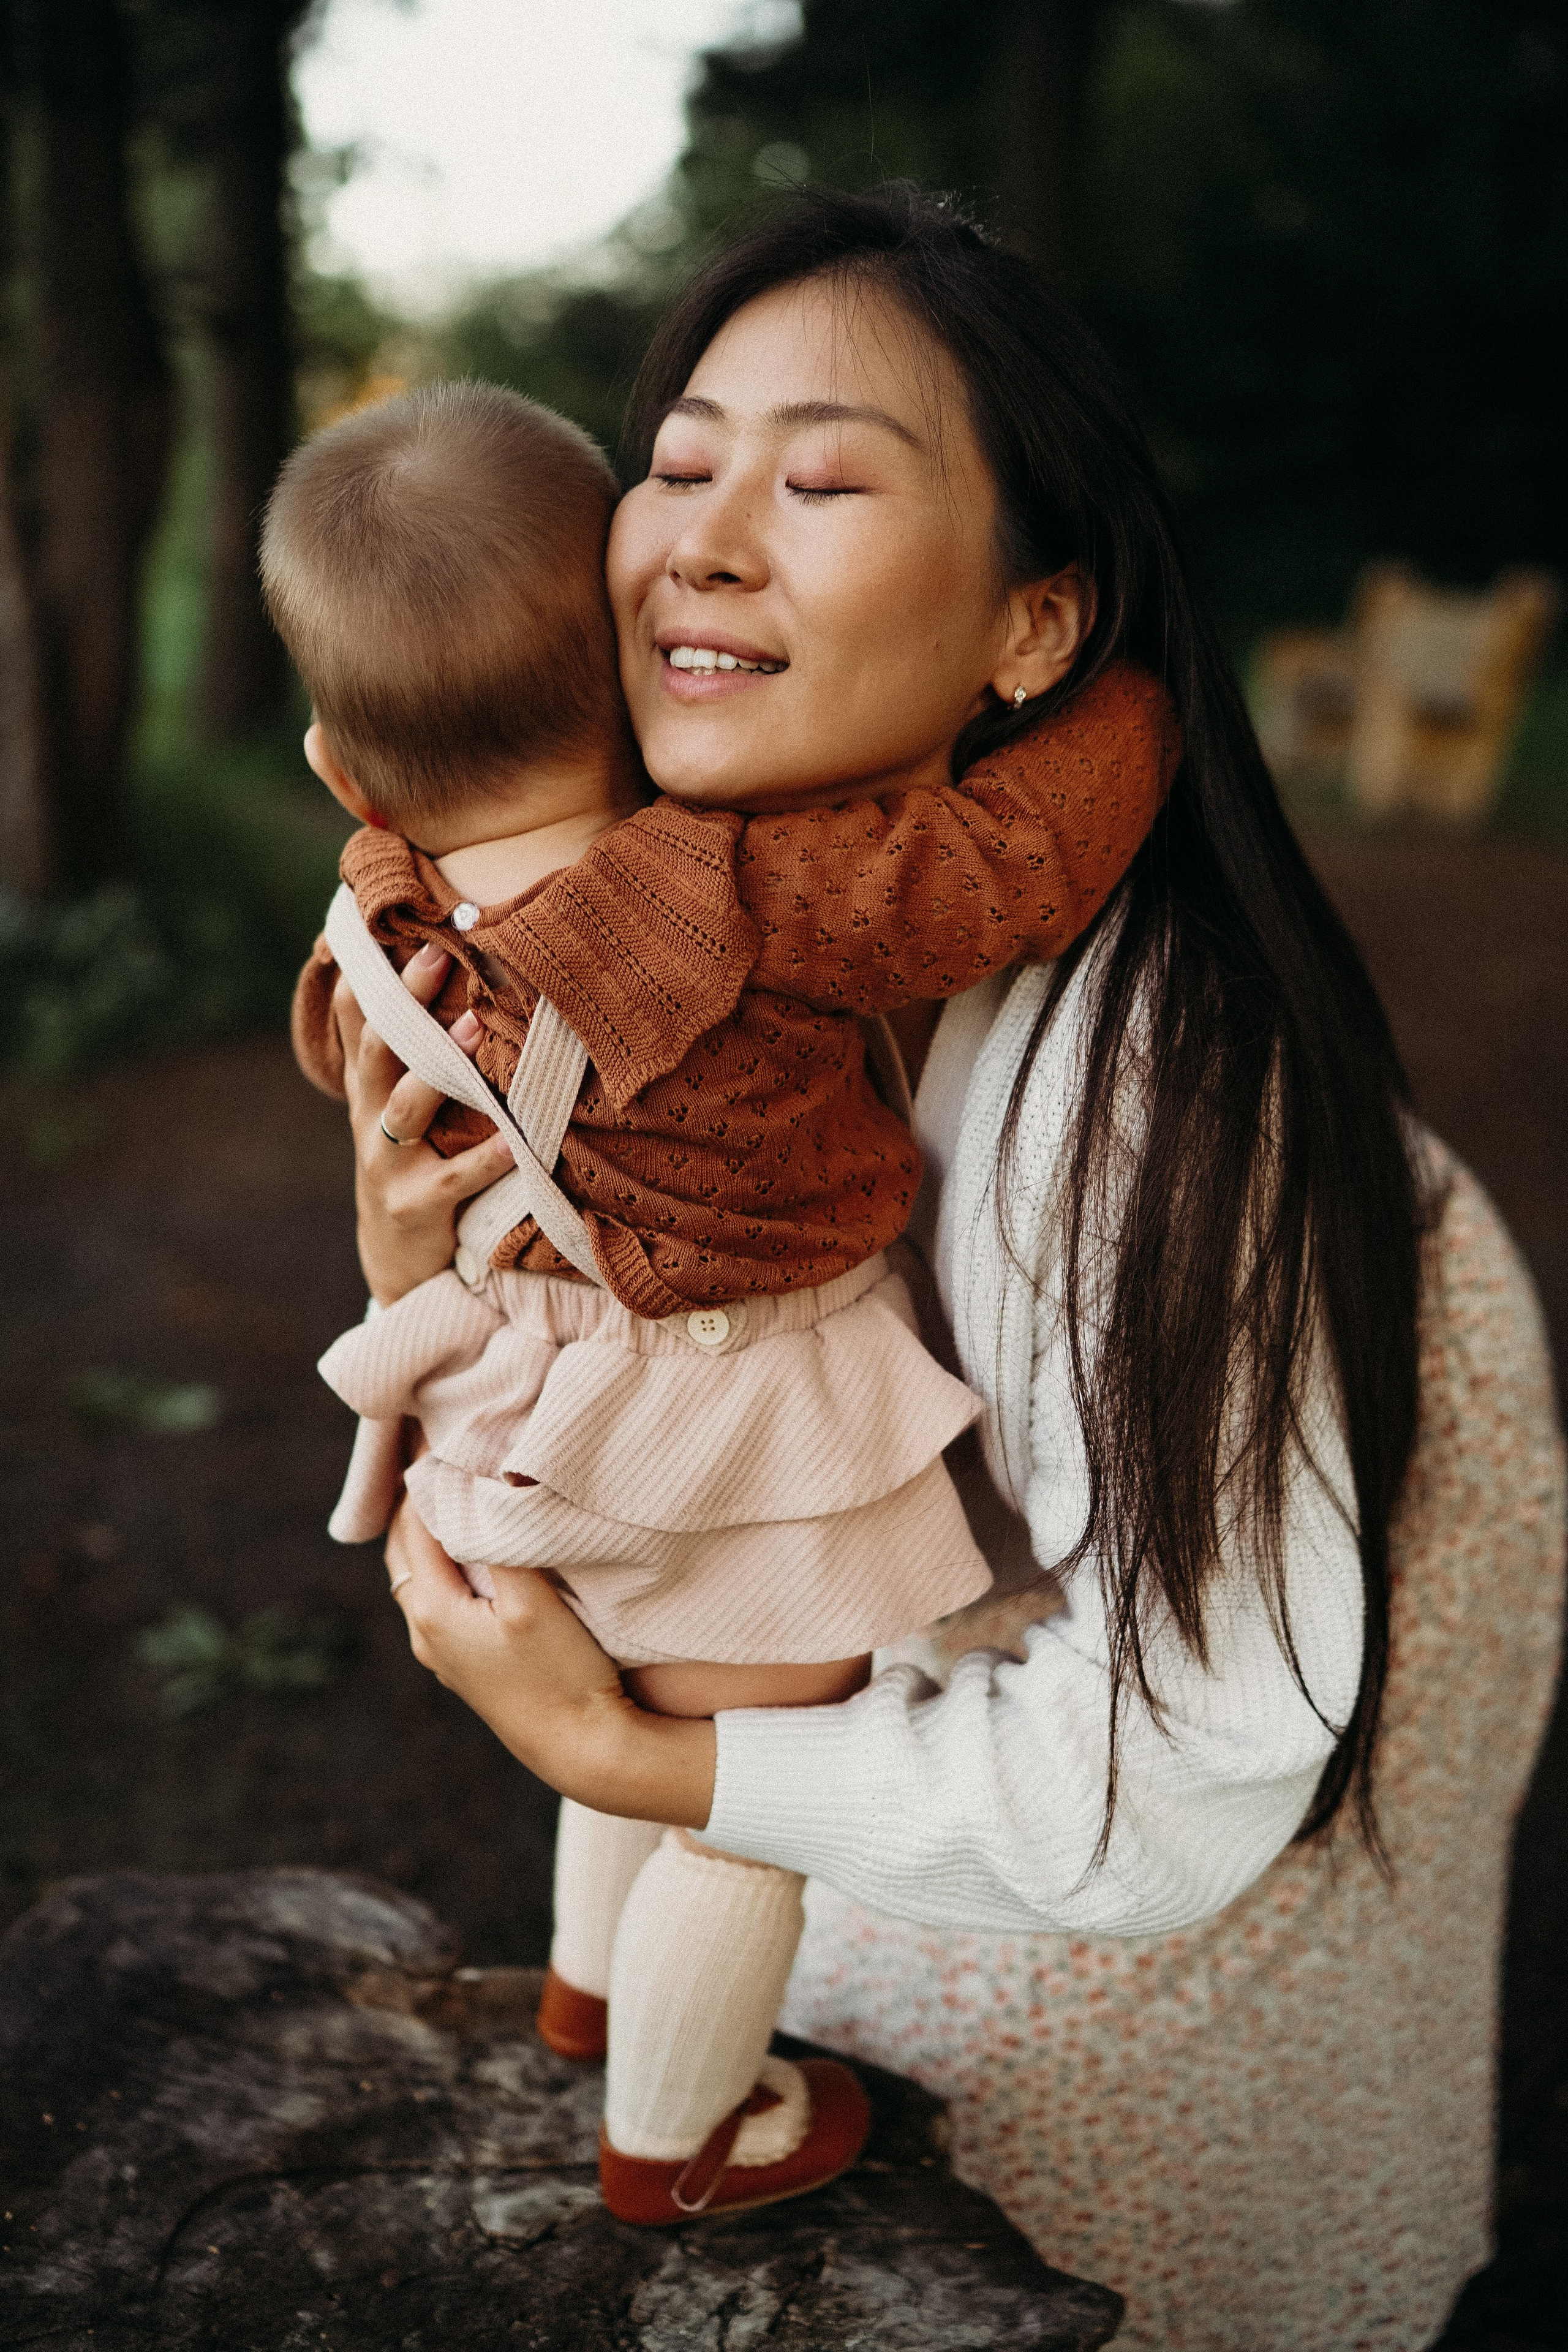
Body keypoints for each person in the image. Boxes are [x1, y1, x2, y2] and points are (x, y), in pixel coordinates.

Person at [328, 189, 1566, 2347]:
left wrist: (640, 1767)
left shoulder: (1157, 1109)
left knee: (1095, 2198)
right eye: (684, 460)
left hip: (1235, 1690)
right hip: (982, 1603)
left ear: (1029, 631)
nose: (708, 536)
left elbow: (1191, 1766)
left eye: (819, 479)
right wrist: (422, 1231)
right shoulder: (655, 883)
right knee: (798, 1952)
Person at [266, 377, 1172, 2222]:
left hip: (509, 1424)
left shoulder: (379, 908)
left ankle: (593, 2001)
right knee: (744, 1790)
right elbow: (1012, 867)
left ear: (341, 771)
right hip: (722, 1432)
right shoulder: (744, 891)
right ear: (644, 681)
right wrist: (1137, 694)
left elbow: (385, 1106)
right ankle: (682, 2137)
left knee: (619, 1719)